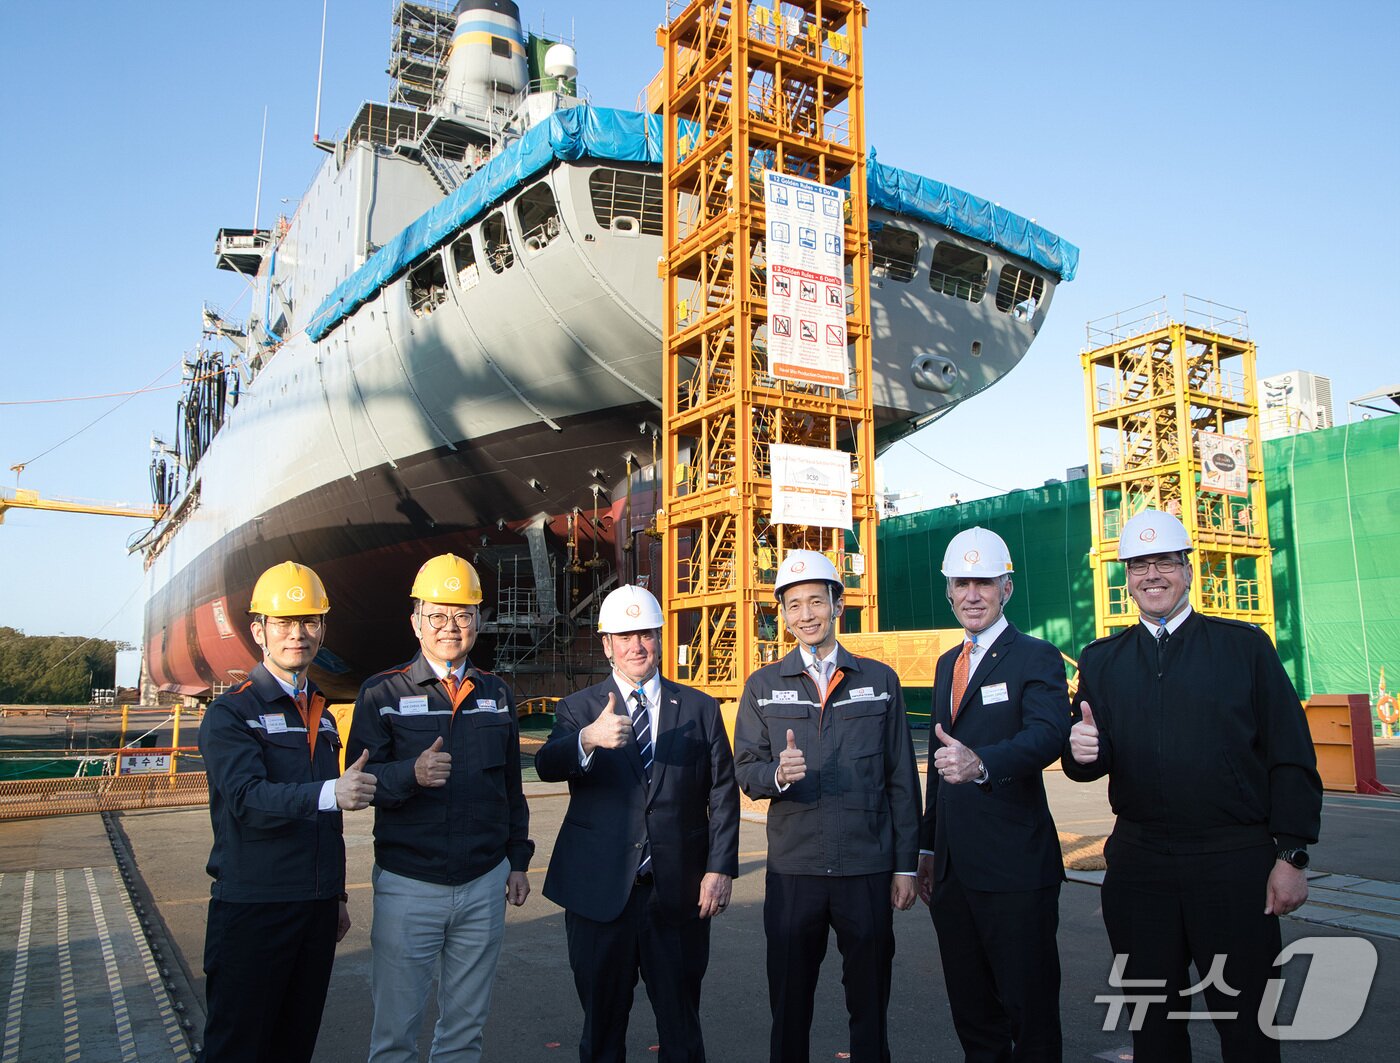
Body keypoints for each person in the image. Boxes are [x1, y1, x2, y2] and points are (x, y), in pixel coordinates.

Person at [1063, 508, 1323, 1063]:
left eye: (1163, 562)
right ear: (1125, 577)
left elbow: (1291, 756)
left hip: (1233, 863)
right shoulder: (1102, 659)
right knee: (1152, 1026)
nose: (1151, 575)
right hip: (1139, 865)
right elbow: (1088, 757)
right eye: (1138, 565)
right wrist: (1079, 752)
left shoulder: (1243, 648)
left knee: (1249, 1027)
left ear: (1187, 569)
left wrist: (1291, 855)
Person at [536, 585, 740, 1063]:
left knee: (682, 1029)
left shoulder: (699, 709)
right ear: (606, 644)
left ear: (660, 638)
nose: (637, 646)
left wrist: (720, 868)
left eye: (645, 634)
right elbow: (547, 763)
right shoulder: (579, 709)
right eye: (624, 636)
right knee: (602, 1029)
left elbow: (723, 792)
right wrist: (587, 739)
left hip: (678, 894)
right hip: (599, 897)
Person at [733, 550, 921, 1063]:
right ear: (782, 613)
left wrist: (906, 865)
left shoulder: (879, 681)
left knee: (870, 1004)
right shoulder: (764, 686)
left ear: (838, 604)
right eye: (794, 605)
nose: (806, 614)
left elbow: (901, 779)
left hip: (866, 867)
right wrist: (775, 775)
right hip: (796, 871)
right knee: (789, 1004)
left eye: (817, 601)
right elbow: (744, 769)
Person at [347, 553, 533, 1063]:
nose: (451, 627)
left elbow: (511, 790)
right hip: (410, 884)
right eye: (438, 615)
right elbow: (358, 781)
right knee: (394, 1036)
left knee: (464, 1033)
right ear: (415, 621)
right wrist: (410, 774)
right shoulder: (381, 692)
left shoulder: (496, 693)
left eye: (464, 614)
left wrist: (517, 861)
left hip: (483, 883)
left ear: (479, 620)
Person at [198, 561, 377, 1063]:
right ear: (258, 631)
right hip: (255, 908)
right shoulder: (232, 712)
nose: (297, 634)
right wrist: (329, 792)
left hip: (315, 908)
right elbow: (245, 798)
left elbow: (330, 823)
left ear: (322, 628)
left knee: (295, 1044)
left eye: (309, 622)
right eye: (283, 622)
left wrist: (336, 894)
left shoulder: (319, 711)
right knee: (237, 1048)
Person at [916, 528, 1070, 1062]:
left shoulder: (1036, 656)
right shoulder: (946, 665)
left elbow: (1048, 734)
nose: (973, 594)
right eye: (962, 583)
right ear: (949, 591)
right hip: (955, 872)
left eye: (984, 582)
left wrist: (984, 763)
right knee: (973, 1011)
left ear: (1006, 588)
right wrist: (929, 849)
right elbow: (939, 765)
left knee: (1029, 1011)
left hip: (1015, 872)